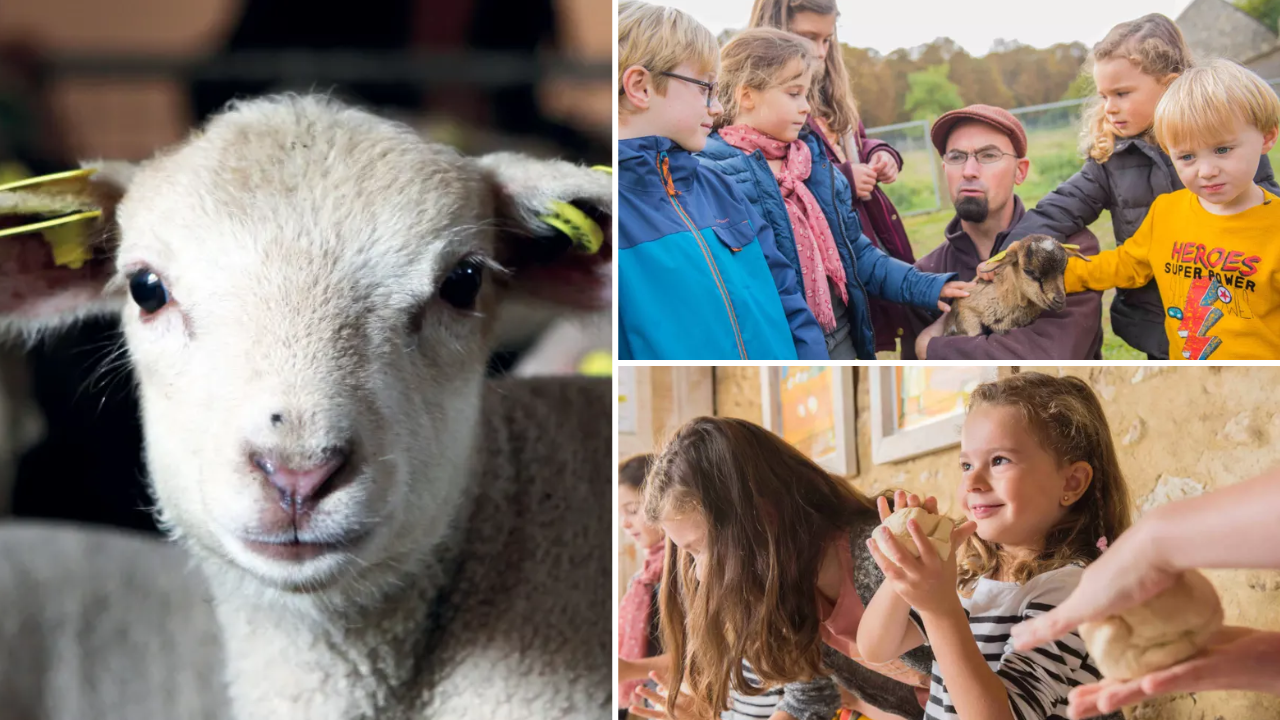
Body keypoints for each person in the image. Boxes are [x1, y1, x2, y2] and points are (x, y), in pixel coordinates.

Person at [856, 372, 1131, 720]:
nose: (972, 481)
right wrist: (904, 565)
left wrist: (940, 609)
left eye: (999, 460)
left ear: (1072, 482)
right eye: (966, 464)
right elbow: (877, 647)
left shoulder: (1073, 593)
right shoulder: (969, 577)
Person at [1003, 13, 1279, 359]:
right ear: (1170, 149)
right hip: (1165, 336)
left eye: (1121, 93)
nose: (1206, 170)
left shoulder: (1261, 201)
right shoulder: (1140, 188)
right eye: (1187, 157)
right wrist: (1025, 260)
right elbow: (1119, 258)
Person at [697, 29, 970, 359]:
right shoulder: (711, 174)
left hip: (840, 333)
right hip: (776, 345)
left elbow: (858, 256)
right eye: (794, 93)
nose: (806, 106)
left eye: (807, 94)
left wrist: (926, 286)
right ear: (747, 96)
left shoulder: (815, 166)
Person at [642, 416, 937, 720]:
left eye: (700, 550)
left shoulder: (883, 559)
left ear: (762, 516)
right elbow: (808, 698)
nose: (700, 574)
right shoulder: (788, 591)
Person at [616, 1, 826, 361]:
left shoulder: (720, 187)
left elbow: (786, 296)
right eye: (705, 89)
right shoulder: (610, 214)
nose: (716, 107)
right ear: (641, 87)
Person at [1010, 468, 1280, 719]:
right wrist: (1265, 663)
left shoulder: (1064, 582)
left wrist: (1155, 543)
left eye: (1000, 461)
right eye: (965, 465)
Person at [1061, 58, 1280, 360]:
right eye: (1187, 156)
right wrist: (1058, 275)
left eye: (1222, 150)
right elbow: (1126, 264)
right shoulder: (1167, 212)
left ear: (1267, 137)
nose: (1206, 171)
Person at [746, 0, 919, 353]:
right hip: (826, 265)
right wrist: (843, 177)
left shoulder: (828, 94)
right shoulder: (765, 107)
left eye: (828, 40)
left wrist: (878, 153)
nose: (820, 51)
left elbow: (852, 137)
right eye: (809, 37)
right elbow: (773, 173)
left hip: (867, 236)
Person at [901, 105, 1104, 360]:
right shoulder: (926, 276)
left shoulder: (1066, 249)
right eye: (956, 157)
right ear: (945, 171)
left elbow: (1050, 355)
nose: (969, 171)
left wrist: (931, 349)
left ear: (1020, 171)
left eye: (988, 155)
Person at [617, 453, 666, 719]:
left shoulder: (689, 573)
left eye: (633, 511)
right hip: (651, 703)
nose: (625, 523)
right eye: (621, 514)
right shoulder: (642, 578)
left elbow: (700, 661)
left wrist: (627, 669)